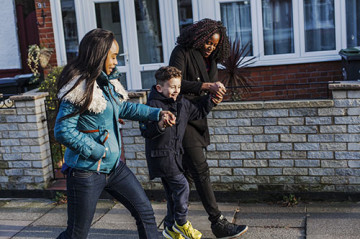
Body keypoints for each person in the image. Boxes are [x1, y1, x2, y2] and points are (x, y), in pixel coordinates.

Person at [54, 28, 175, 239]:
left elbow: (124, 108)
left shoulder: (107, 83)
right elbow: (63, 130)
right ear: (99, 55)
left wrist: (157, 114)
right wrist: (98, 151)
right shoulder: (79, 87)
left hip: (114, 168)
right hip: (86, 172)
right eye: (112, 56)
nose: (115, 62)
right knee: (76, 234)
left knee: (145, 213)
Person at [169, 18, 248, 238]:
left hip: (198, 119)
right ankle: (218, 223)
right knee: (200, 171)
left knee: (185, 178)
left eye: (214, 44)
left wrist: (215, 98)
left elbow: (207, 96)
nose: (210, 47)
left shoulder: (211, 62)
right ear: (199, 35)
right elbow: (174, 82)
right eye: (207, 41)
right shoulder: (181, 51)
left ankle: (171, 223)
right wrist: (206, 86)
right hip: (181, 120)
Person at [140, 66, 220, 239]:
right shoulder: (153, 105)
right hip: (161, 157)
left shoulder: (181, 103)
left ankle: (169, 228)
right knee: (182, 185)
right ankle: (181, 223)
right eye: (172, 87)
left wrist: (212, 100)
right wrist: (160, 125)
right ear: (160, 88)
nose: (176, 91)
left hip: (175, 156)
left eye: (178, 87)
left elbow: (198, 111)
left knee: (172, 195)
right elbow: (146, 131)